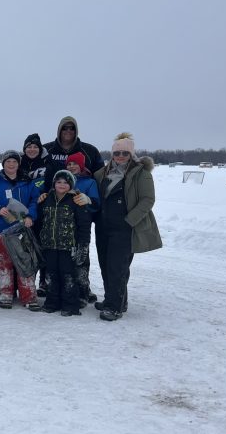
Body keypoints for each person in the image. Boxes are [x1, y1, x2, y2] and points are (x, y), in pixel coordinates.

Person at [93, 133, 162, 321]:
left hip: (124, 228)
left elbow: (148, 200)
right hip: (103, 226)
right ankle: (113, 299)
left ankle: (115, 307)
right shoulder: (103, 173)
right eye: (117, 153)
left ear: (131, 154)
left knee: (118, 267)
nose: (120, 156)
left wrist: (130, 220)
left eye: (125, 153)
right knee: (105, 265)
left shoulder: (140, 173)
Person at [0, 150, 42, 311]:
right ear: (4, 163)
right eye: (8, 161)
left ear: (18, 164)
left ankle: (29, 296)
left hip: (22, 230)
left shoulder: (27, 182)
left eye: (14, 161)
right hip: (1, 230)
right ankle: (5, 294)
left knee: (25, 262)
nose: (11, 164)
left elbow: (35, 201)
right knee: (3, 263)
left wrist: (30, 216)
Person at [36, 170, 91, 316]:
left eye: (66, 182)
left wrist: (83, 245)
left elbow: (84, 225)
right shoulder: (46, 199)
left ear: (71, 185)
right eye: (59, 182)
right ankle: (52, 302)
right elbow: (40, 221)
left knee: (68, 275)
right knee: (51, 275)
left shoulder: (76, 200)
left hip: (69, 247)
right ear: (54, 183)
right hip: (49, 245)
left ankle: (70, 305)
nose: (62, 185)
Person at [62, 152, 101, 306]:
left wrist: (88, 200)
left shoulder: (89, 182)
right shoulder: (62, 180)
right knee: (67, 259)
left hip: (81, 227)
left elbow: (96, 204)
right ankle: (69, 289)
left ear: (81, 165)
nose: (72, 167)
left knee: (81, 259)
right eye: (69, 164)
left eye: (75, 164)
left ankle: (84, 290)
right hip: (64, 227)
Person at [20, 133, 54, 297]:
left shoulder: (49, 163)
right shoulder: (19, 163)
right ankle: (28, 282)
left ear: (40, 149)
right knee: (28, 248)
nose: (32, 149)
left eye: (35, 147)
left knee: (45, 246)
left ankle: (45, 282)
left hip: (45, 210)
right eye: (29, 147)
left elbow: (58, 182)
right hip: (25, 211)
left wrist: (48, 194)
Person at [43, 116, 104, 184]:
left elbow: (101, 175)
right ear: (59, 130)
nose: (68, 130)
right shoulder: (46, 149)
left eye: (72, 128)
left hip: (81, 193)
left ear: (76, 131)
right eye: (64, 128)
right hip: (50, 192)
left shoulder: (90, 150)